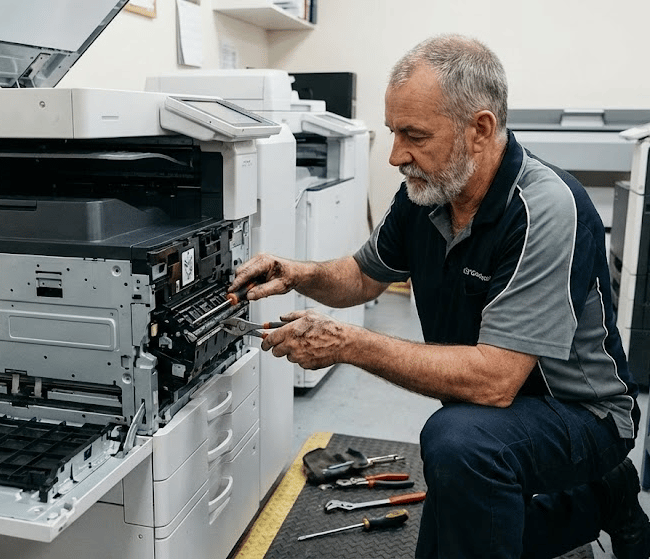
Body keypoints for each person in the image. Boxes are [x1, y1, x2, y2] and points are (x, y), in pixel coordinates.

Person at [229, 34, 650, 558]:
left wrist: (345, 343)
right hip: (495, 410)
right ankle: (599, 500)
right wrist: (297, 272)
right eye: (392, 132)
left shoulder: (545, 209)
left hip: (582, 414)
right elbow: (363, 275)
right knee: (461, 518)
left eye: (414, 135)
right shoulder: (426, 192)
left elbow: (496, 381)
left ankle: (602, 493)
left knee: (461, 444)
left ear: (480, 130)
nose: (394, 155)